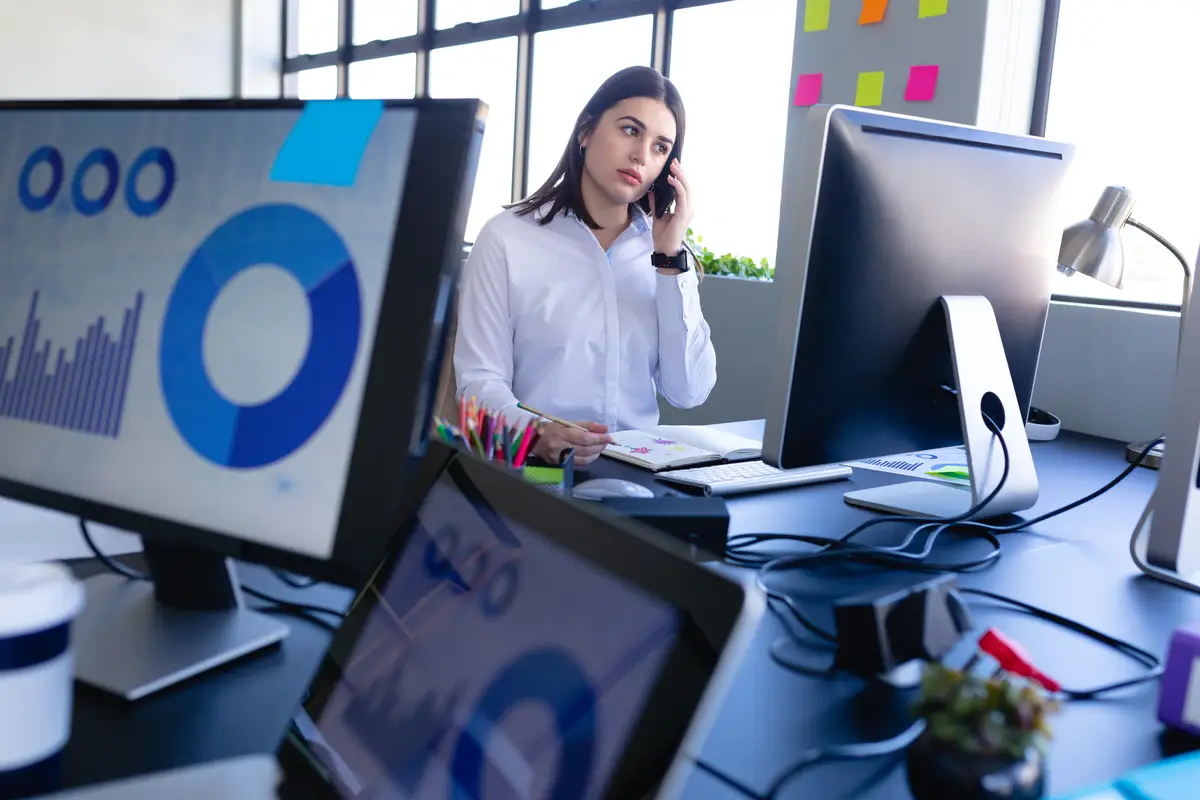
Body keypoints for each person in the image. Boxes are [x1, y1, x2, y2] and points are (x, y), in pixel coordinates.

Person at [453, 66, 717, 465]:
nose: (641, 156)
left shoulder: (666, 253)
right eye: (631, 130)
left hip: (638, 476)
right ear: (586, 131)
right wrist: (535, 433)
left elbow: (689, 391)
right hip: (535, 472)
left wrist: (669, 261)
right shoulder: (506, 239)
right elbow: (477, 383)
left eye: (661, 147)